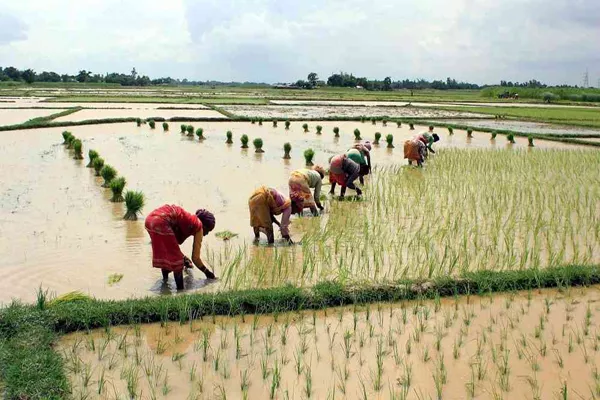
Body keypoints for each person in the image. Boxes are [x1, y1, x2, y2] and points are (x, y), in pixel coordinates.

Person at [145, 205, 217, 290]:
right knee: (177, 261)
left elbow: (171, 246)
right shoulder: (199, 225)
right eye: (208, 230)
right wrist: (208, 273)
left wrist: (184, 258)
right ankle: (180, 292)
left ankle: (165, 283)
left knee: (166, 253)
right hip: (161, 222)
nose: (206, 233)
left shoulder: (188, 219)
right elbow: (195, 258)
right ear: (204, 226)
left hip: (150, 220)